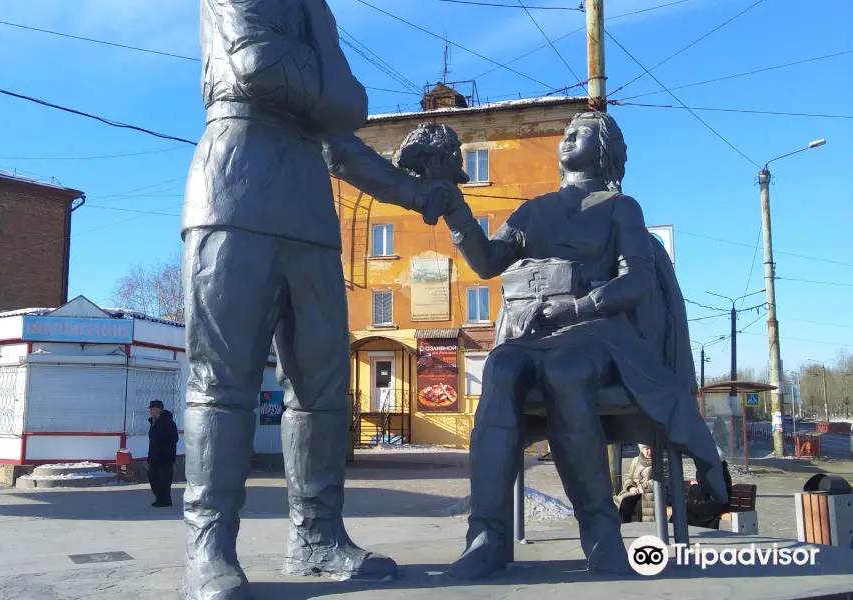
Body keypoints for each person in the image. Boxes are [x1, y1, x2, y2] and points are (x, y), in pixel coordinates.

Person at [182, 1, 458, 597]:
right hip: (234, 192)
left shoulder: (314, 7)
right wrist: (335, 86)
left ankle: (317, 537)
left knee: (324, 386)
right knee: (222, 384)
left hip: (308, 208)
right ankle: (210, 549)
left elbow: (341, 138)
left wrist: (414, 194)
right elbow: (258, 64)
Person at [437, 110, 727, 580]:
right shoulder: (533, 210)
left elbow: (638, 282)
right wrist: (455, 208)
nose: (570, 135)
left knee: (565, 370)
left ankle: (600, 533)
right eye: (568, 130)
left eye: (585, 130)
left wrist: (578, 307)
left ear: (606, 148)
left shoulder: (620, 207)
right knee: (501, 369)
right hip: (535, 332)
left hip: (599, 332)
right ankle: (486, 536)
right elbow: (487, 262)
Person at [684, 446, 732, 529]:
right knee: (686, 505)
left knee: (685, 507)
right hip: (719, 502)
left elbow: (705, 489)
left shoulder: (710, 471)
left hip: (714, 503)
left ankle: (680, 531)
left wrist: (691, 490)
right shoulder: (721, 469)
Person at [147, 400, 179, 508]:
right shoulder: (153, 422)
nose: (150, 411)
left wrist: (165, 450)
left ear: (159, 409)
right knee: (153, 479)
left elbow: (174, 438)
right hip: (153, 457)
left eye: (153, 408)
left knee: (164, 480)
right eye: (150, 409)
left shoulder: (168, 423)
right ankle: (159, 498)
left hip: (165, 458)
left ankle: (165, 501)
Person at [614, 444, 654, 523]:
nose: (650, 452)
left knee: (635, 503)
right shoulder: (636, 460)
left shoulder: (660, 462)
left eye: (652, 449)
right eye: (647, 449)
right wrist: (630, 487)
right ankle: (623, 525)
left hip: (647, 492)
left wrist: (643, 487)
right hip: (633, 490)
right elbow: (627, 476)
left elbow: (660, 480)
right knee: (623, 501)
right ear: (641, 450)